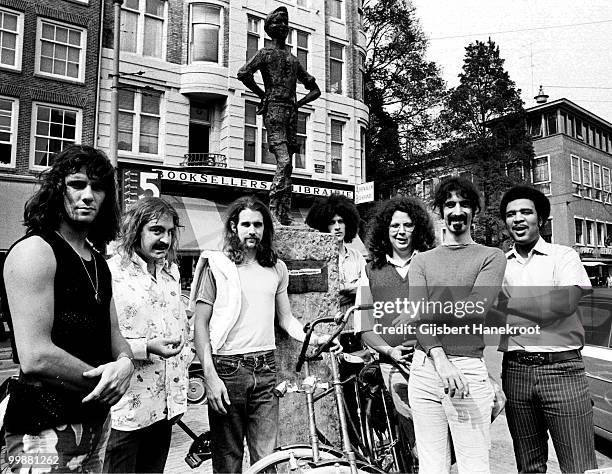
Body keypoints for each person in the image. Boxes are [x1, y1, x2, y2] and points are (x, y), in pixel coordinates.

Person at [0, 145, 134, 472]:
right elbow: (36, 356)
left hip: (94, 423)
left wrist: (126, 365)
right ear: (57, 189)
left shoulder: (98, 262)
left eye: (98, 187)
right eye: (77, 184)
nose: (88, 195)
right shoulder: (35, 251)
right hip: (41, 428)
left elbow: (115, 335)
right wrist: (109, 382)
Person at [190, 195, 338, 473]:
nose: (252, 230)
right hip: (228, 369)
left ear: (265, 229)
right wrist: (210, 376)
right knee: (228, 458)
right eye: (245, 224)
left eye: (258, 224)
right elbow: (200, 325)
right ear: (234, 227)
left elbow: (286, 319)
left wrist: (314, 338)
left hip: (266, 368)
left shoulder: (277, 268)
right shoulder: (218, 265)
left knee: (268, 457)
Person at [406, 177, 506, 474]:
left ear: (474, 210)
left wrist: (426, 310)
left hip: (467, 369)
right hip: (425, 368)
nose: (457, 210)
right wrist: (439, 358)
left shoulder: (491, 256)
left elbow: (476, 307)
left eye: (464, 204)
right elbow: (418, 316)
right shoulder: (421, 260)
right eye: (450, 204)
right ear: (440, 210)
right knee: (431, 466)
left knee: (474, 466)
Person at [497, 185, 597, 473]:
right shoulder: (499, 265)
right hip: (516, 371)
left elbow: (564, 303)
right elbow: (489, 312)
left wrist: (508, 304)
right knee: (529, 468)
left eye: (525, 212)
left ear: (540, 218)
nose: (518, 218)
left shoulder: (564, 256)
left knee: (579, 467)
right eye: (511, 214)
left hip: (562, 370)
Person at [103, 197, 191, 473]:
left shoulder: (171, 273)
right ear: (136, 229)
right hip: (124, 410)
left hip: (163, 408)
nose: (164, 239)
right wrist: (146, 347)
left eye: (170, 232)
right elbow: (96, 337)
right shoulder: (111, 272)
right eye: (156, 230)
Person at [355, 196, 436, 463]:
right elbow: (363, 327)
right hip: (394, 363)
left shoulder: (430, 263)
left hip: (433, 358)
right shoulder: (371, 270)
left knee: (488, 402)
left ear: (418, 229)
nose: (401, 232)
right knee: (415, 432)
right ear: (385, 230)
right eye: (394, 226)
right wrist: (389, 351)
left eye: (408, 225)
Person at [237, 6, 321, 224]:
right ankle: (274, 211)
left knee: (289, 165)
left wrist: (299, 103)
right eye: (277, 22)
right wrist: (263, 95)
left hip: (290, 113)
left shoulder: (293, 60)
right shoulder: (264, 53)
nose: (282, 26)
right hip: (274, 109)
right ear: (268, 28)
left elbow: (315, 90)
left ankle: (285, 214)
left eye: (285, 22)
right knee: (283, 161)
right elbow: (243, 73)